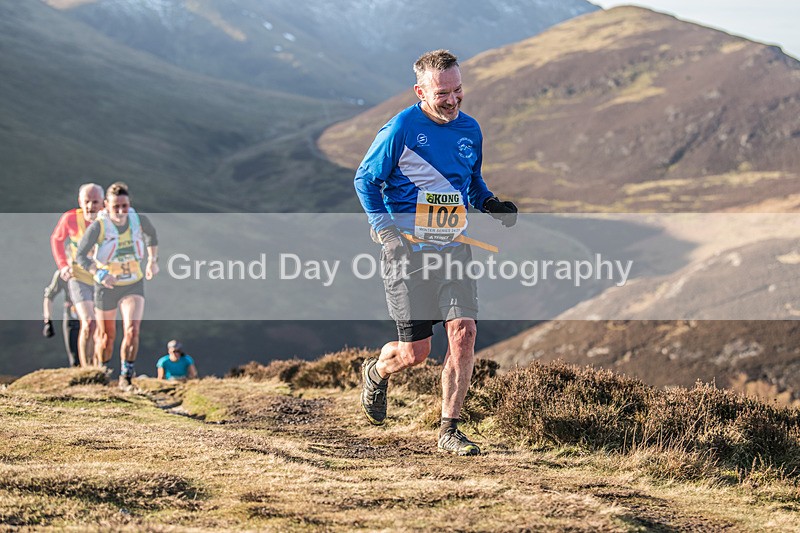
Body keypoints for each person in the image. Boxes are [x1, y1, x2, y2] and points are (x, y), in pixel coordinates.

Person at [354, 49, 517, 456]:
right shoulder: (401, 129)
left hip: (454, 249)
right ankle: (377, 370)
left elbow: (471, 182)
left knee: (464, 333)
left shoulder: (470, 129)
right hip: (407, 255)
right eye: (442, 93)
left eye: (457, 89)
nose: (452, 99)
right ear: (420, 92)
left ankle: (449, 430)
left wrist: (490, 203)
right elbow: (365, 181)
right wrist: (386, 231)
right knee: (415, 353)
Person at [75, 182, 159, 390]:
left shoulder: (138, 220)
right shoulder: (99, 227)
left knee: (132, 330)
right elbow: (80, 256)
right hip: (107, 287)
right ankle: (102, 372)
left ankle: (126, 377)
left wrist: (152, 260)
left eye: (125, 206)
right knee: (107, 337)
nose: (121, 211)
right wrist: (100, 274)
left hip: (133, 283)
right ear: (106, 205)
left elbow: (151, 235)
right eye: (116, 207)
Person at [50, 183, 104, 367]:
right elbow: (56, 239)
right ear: (80, 202)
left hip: (102, 279)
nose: (90, 206)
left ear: (103, 203)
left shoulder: (109, 220)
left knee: (101, 327)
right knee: (88, 322)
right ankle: (85, 370)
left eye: (95, 202)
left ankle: (97, 368)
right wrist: (63, 265)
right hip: (78, 277)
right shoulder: (71, 218)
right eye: (86, 201)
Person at [42, 269, 81, 367]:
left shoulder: (93, 268)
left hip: (94, 316)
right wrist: (48, 321)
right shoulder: (63, 273)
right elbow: (49, 296)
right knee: (75, 358)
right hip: (72, 316)